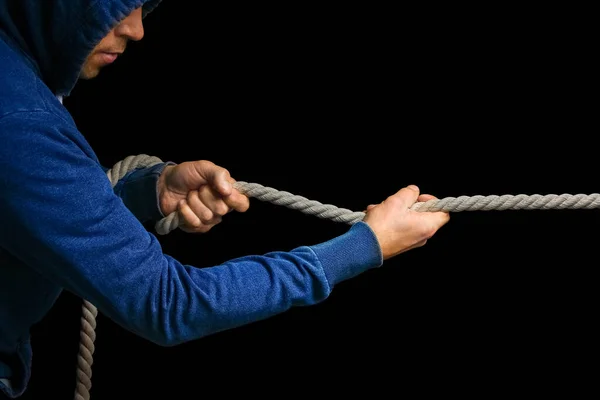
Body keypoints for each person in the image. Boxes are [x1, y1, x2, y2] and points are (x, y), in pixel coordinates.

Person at [0, 1, 450, 398]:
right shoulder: (19, 125)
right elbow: (170, 305)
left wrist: (147, 194)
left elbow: (34, 210)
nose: (136, 29)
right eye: (116, 4)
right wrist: (365, 245)